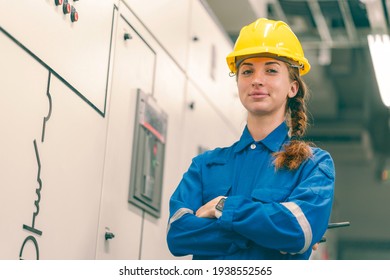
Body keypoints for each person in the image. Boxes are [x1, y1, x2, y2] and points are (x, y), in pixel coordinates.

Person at [166, 18, 335, 260]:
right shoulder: (205, 166)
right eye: (247, 71)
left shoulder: (313, 165)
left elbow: (299, 231)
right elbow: (178, 234)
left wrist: (224, 207)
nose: (256, 79)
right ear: (238, 83)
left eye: (271, 70)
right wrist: (263, 234)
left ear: (292, 88)